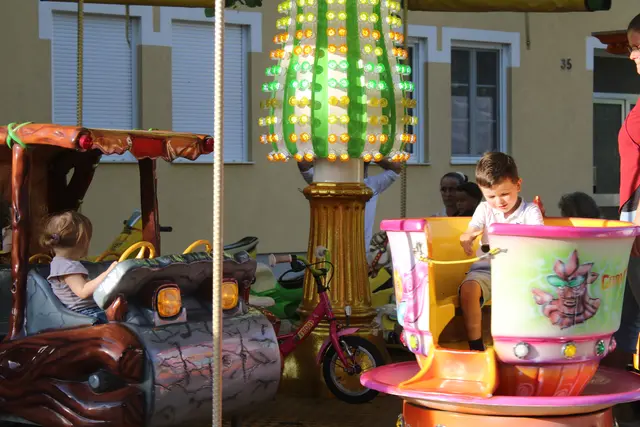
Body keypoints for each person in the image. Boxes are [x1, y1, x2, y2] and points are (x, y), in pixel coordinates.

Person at [459, 152, 544, 351]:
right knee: (469, 289)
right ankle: (476, 346)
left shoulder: (530, 211)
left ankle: (524, 342)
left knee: (531, 292)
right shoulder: (484, 209)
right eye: (491, 196)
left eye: (504, 194)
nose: (499, 202)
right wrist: (467, 237)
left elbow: (538, 238)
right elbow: (472, 229)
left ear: (518, 185)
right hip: (487, 267)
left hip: (520, 270)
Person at [298, 159, 401, 249]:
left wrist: (372, 154)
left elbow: (396, 168)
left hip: (361, 254)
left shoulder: (372, 185)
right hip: (331, 253)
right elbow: (303, 164)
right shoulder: (327, 183)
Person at [41, 211, 117, 323]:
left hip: (85, 311)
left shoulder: (59, 263)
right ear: (81, 241)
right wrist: (108, 274)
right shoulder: (67, 266)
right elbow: (83, 291)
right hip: (85, 313)